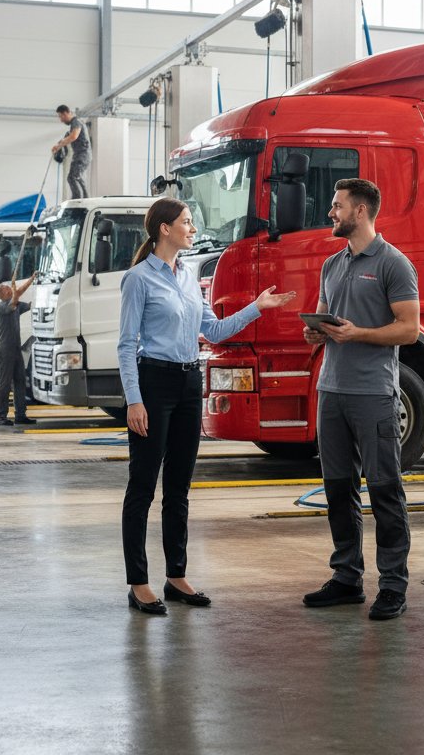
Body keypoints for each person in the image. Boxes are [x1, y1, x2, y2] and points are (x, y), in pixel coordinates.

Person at [117, 197, 296, 615]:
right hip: (153, 382)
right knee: (142, 487)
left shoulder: (186, 277)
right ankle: (138, 582)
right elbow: (126, 347)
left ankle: (176, 575)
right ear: (164, 229)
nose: (192, 228)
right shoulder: (139, 280)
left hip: (186, 381)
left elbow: (213, 329)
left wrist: (257, 308)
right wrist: (134, 400)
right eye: (187, 222)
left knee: (178, 488)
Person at [301, 178, 420, 621]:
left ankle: (392, 585)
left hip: (373, 394)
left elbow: (408, 329)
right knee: (338, 489)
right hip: (331, 391)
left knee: (385, 490)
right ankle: (347, 577)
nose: (331, 212)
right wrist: (316, 331)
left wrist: (360, 334)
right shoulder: (332, 265)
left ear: (362, 212)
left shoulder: (394, 264)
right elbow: (322, 323)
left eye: (338, 206)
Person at [0, 271, 37, 427]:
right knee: (4, 384)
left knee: (20, 382)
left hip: (16, 349)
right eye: (8, 288)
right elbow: (16, 296)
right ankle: (1, 416)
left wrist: (32, 280)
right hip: (5, 351)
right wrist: (29, 280)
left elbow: (27, 303)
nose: (11, 289)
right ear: (3, 293)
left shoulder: (16, 306)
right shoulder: (2, 307)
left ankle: (20, 415)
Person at [52, 104, 91, 200]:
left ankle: (77, 200)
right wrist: (62, 142)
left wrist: (59, 146)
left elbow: (74, 136)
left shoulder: (76, 122)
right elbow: (71, 136)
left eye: (61, 116)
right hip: (82, 155)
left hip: (82, 155)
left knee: (72, 177)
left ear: (66, 113)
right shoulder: (76, 123)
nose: (61, 120)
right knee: (78, 177)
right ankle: (85, 199)